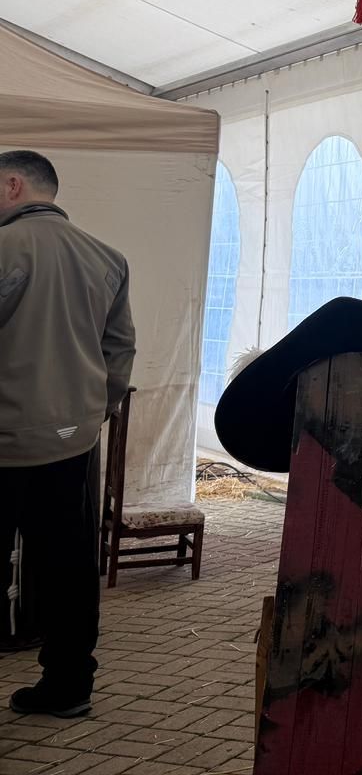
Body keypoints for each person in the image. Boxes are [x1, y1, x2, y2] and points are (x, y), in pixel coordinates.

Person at [0, 150, 135, 718]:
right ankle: (70, 686)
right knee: (69, 565)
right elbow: (119, 351)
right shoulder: (107, 258)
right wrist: (89, 414)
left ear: (13, 185)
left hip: (6, 439)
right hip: (72, 442)